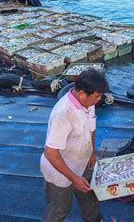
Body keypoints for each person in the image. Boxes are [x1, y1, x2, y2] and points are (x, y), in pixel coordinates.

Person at [40, 69, 108, 222]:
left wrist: (91, 153)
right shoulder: (63, 114)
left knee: (90, 197)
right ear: (83, 94)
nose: (100, 99)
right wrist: (74, 178)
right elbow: (51, 153)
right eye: (98, 96)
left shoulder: (88, 103)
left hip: (81, 162)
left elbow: (91, 127)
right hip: (59, 171)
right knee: (60, 208)